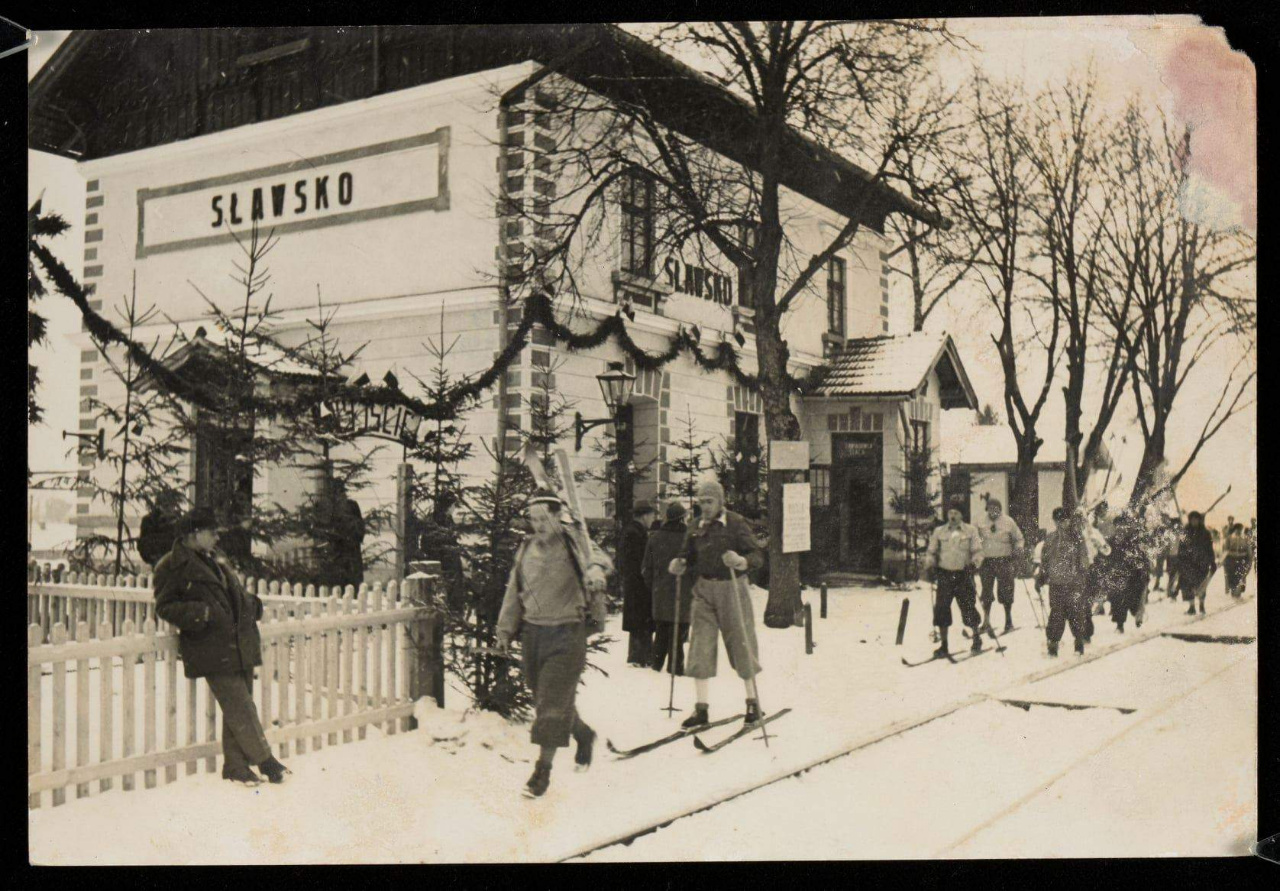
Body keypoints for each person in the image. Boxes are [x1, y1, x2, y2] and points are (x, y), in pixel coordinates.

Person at [153, 508, 289, 786]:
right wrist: (202, 613)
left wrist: (253, 605)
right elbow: (164, 606)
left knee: (239, 706)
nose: (216, 536)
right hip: (211, 645)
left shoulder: (214, 561)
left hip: (239, 642)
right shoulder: (171, 566)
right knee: (241, 705)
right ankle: (266, 760)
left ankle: (236, 766)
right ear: (193, 534)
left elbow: (231, 596)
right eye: (211, 531)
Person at [495, 489, 612, 799]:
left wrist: (597, 570)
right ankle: (584, 734)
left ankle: (541, 772)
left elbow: (598, 557)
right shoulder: (527, 548)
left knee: (550, 704)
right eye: (533, 519)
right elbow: (514, 591)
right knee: (547, 698)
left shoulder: (574, 540)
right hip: (533, 635)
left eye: (543, 518)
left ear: (558, 515)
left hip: (567, 633)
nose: (538, 525)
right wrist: (505, 630)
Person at [668, 481, 765, 729]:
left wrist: (741, 560)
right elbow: (686, 554)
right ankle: (701, 709)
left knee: (741, 644)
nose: (705, 506)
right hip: (703, 590)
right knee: (700, 646)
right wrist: (680, 563)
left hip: (732, 588)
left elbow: (757, 555)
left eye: (709, 501)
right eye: (701, 501)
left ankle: (753, 702)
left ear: (720, 501)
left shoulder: (735, 523)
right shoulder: (695, 525)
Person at [923, 499, 985, 657]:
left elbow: (978, 551)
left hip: (963, 575)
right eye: (950, 512)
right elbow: (931, 551)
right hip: (944, 575)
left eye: (956, 513)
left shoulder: (970, 531)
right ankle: (944, 645)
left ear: (961, 515)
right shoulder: (939, 532)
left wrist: (974, 564)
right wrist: (930, 566)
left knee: (968, 607)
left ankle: (976, 637)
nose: (952, 515)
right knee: (942, 610)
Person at [644, 501, 694, 675]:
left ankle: (656, 666)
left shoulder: (654, 538)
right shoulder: (689, 538)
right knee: (678, 633)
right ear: (682, 518)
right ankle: (676, 667)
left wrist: (653, 586)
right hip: (684, 591)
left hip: (661, 591)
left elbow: (646, 568)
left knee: (662, 630)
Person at [1036, 507, 1091, 657]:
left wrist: (1083, 575)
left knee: (1075, 613)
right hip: (1056, 583)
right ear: (1054, 521)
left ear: (1068, 521)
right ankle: (1053, 646)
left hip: (1074, 583)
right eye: (1058, 521)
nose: (1061, 524)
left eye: (1064, 520)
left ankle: (1079, 644)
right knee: (1056, 614)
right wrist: (1041, 576)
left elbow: (1084, 559)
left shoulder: (1077, 538)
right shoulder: (1050, 538)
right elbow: (1045, 560)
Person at [977, 498, 1025, 634]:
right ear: (987, 509)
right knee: (986, 591)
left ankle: (1008, 621)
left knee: (1006, 591)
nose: (994, 511)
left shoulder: (1008, 522)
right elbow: (976, 539)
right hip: (986, 561)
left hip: (1004, 560)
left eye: (996, 508)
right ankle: (986, 621)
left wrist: (1018, 548)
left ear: (1000, 509)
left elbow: (1019, 538)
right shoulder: (980, 522)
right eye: (991, 508)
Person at [621, 501, 657, 667]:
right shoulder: (636, 534)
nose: (653, 518)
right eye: (652, 515)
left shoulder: (635, 531)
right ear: (644, 515)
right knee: (641, 620)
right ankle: (639, 656)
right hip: (638, 584)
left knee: (640, 620)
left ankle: (641, 655)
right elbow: (639, 560)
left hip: (635, 583)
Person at [1106, 513, 1149, 633]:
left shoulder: (1134, 541)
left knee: (1133, 599)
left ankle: (1138, 614)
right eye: (1118, 526)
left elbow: (1142, 558)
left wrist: (1144, 571)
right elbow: (1105, 557)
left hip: (1133, 576)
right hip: (1117, 576)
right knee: (1118, 601)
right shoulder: (1110, 541)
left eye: (1123, 525)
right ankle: (1120, 625)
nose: (1120, 528)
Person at [1178, 511, 1217, 616]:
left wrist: (1212, 561)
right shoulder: (1185, 532)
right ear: (1190, 520)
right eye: (1192, 519)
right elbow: (1181, 548)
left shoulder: (1206, 533)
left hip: (1202, 563)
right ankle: (1191, 607)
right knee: (1187, 585)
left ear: (1200, 520)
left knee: (1201, 584)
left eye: (1196, 519)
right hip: (1188, 563)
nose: (1194, 521)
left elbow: (1210, 548)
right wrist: (1180, 560)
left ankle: (1201, 605)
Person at [137, 490, 184, 569]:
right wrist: (153, 558)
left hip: (176, 564)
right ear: (158, 506)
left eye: (172, 506)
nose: (169, 509)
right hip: (157, 561)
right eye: (166, 506)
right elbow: (144, 545)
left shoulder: (180, 521)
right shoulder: (149, 521)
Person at [1223, 523, 1251, 598]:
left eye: (1240, 529)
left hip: (1242, 560)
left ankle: (1238, 592)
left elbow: (1249, 552)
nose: (1239, 531)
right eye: (1237, 529)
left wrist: (1249, 561)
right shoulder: (1229, 538)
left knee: (1241, 578)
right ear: (1235, 529)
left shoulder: (1245, 538)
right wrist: (1224, 562)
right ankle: (1234, 592)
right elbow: (1225, 551)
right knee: (1232, 578)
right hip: (1231, 561)